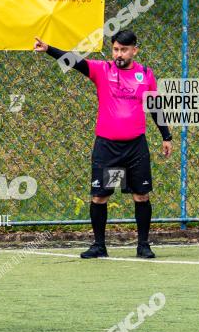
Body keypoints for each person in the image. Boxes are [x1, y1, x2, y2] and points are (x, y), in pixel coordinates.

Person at [33, 30, 173, 259]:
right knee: (99, 197)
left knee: (141, 196)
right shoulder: (103, 70)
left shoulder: (146, 74)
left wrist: (166, 137)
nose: (119, 54)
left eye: (124, 50)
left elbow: (155, 107)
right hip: (108, 147)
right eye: (116, 49)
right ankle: (99, 245)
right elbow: (75, 62)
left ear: (134, 50)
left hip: (136, 147)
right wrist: (49, 49)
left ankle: (143, 245)